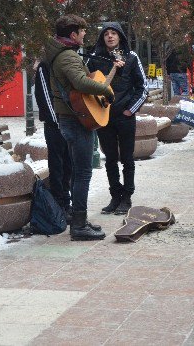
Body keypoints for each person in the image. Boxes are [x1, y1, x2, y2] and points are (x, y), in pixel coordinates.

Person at [45, 14, 122, 241]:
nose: (85, 34)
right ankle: (78, 225)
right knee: (82, 173)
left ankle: (80, 219)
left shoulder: (64, 53)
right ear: (72, 34)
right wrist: (106, 91)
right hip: (75, 120)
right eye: (82, 31)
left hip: (73, 117)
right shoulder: (67, 56)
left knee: (79, 172)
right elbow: (80, 82)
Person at [88, 22, 147, 216]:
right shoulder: (95, 59)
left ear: (120, 36)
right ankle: (115, 195)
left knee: (127, 158)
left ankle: (127, 196)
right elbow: (86, 83)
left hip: (125, 116)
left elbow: (142, 87)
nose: (110, 37)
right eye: (106, 34)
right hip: (103, 117)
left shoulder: (131, 57)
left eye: (113, 33)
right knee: (110, 159)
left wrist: (131, 110)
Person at [34, 58, 72, 220]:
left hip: (68, 123)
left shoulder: (66, 61)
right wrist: (58, 122)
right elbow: (43, 95)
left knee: (68, 165)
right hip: (55, 125)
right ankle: (59, 205)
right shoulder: (45, 66)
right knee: (57, 166)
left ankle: (66, 203)